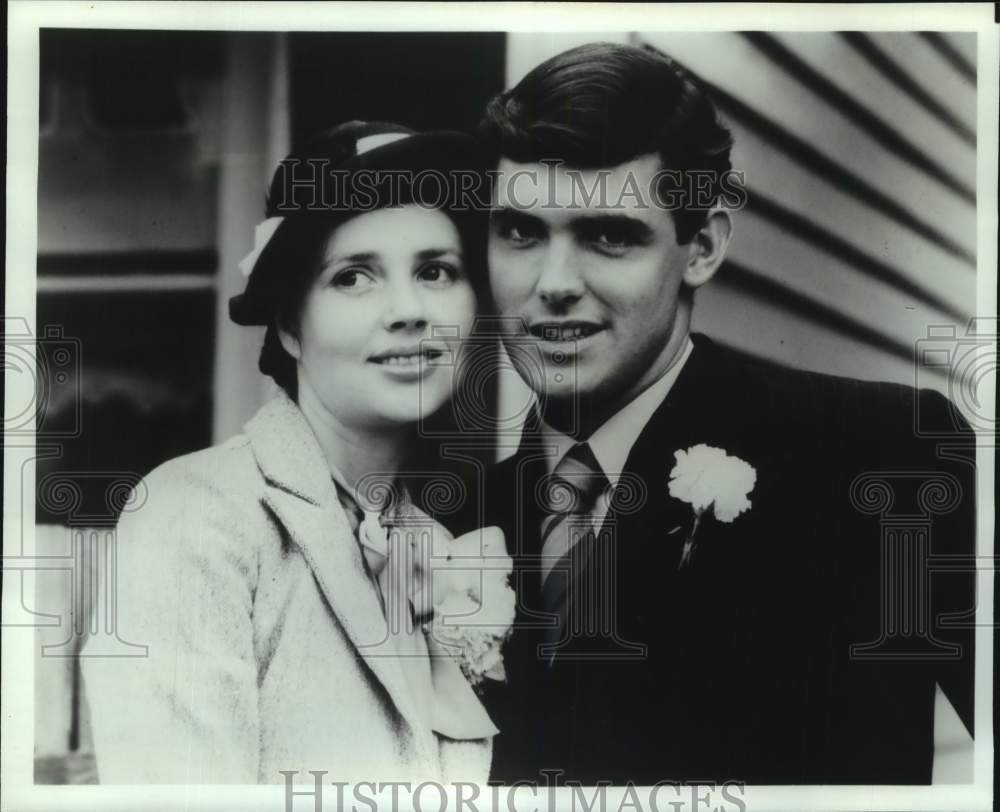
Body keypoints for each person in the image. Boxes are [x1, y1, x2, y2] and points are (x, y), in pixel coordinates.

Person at [473, 43, 976, 785]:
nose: (553, 284)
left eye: (609, 235)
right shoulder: (450, 526)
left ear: (702, 246)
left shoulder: (879, 458)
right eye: (519, 233)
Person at [81, 121, 507, 784]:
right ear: (289, 327)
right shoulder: (195, 516)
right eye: (354, 278)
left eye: (436, 271)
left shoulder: (426, 539)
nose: (409, 310)